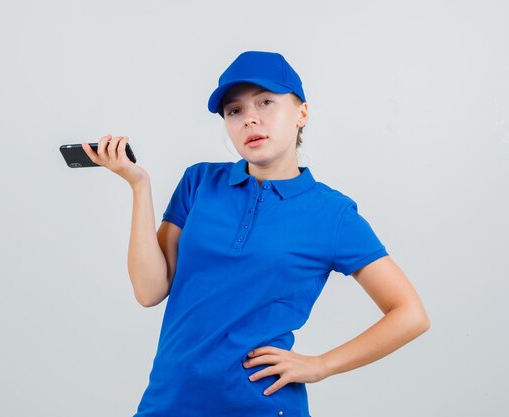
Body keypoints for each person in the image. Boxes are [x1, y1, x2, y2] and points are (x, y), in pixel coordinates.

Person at [82, 51, 430, 417]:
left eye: (266, 102)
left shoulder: (332, 214)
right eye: (235, 111)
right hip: (169, 402)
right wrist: (139, 186)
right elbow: (149, 290)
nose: (250, 118)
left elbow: (409, 314)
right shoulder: (199, 183)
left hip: (261, 405)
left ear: (302, 114)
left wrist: (321, 365)